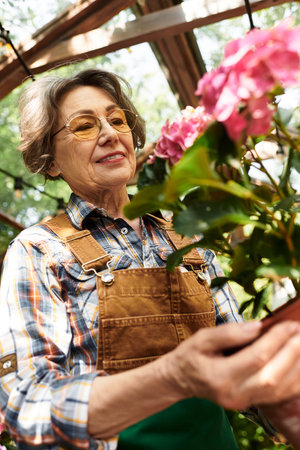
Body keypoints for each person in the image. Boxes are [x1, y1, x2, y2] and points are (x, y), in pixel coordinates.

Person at [0, 68, 300, 450]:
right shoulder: (39, 250)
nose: (110, 133)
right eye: (84, 126)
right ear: (51, 161)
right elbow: (26, 406)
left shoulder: (187, 234)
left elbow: (244, 360)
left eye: (116, 119)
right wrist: (173, 376)